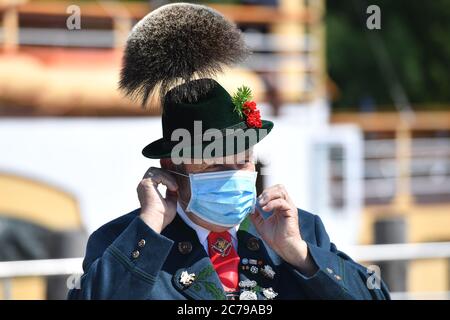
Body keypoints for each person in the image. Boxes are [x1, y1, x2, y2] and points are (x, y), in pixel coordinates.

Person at [68, 3, 390, 300]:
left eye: (243, 159)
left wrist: (301, 255)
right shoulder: (125, 242)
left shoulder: (300, 230)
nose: (234, 174)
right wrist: (150, 224)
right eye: (213, 165)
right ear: (172, 166)